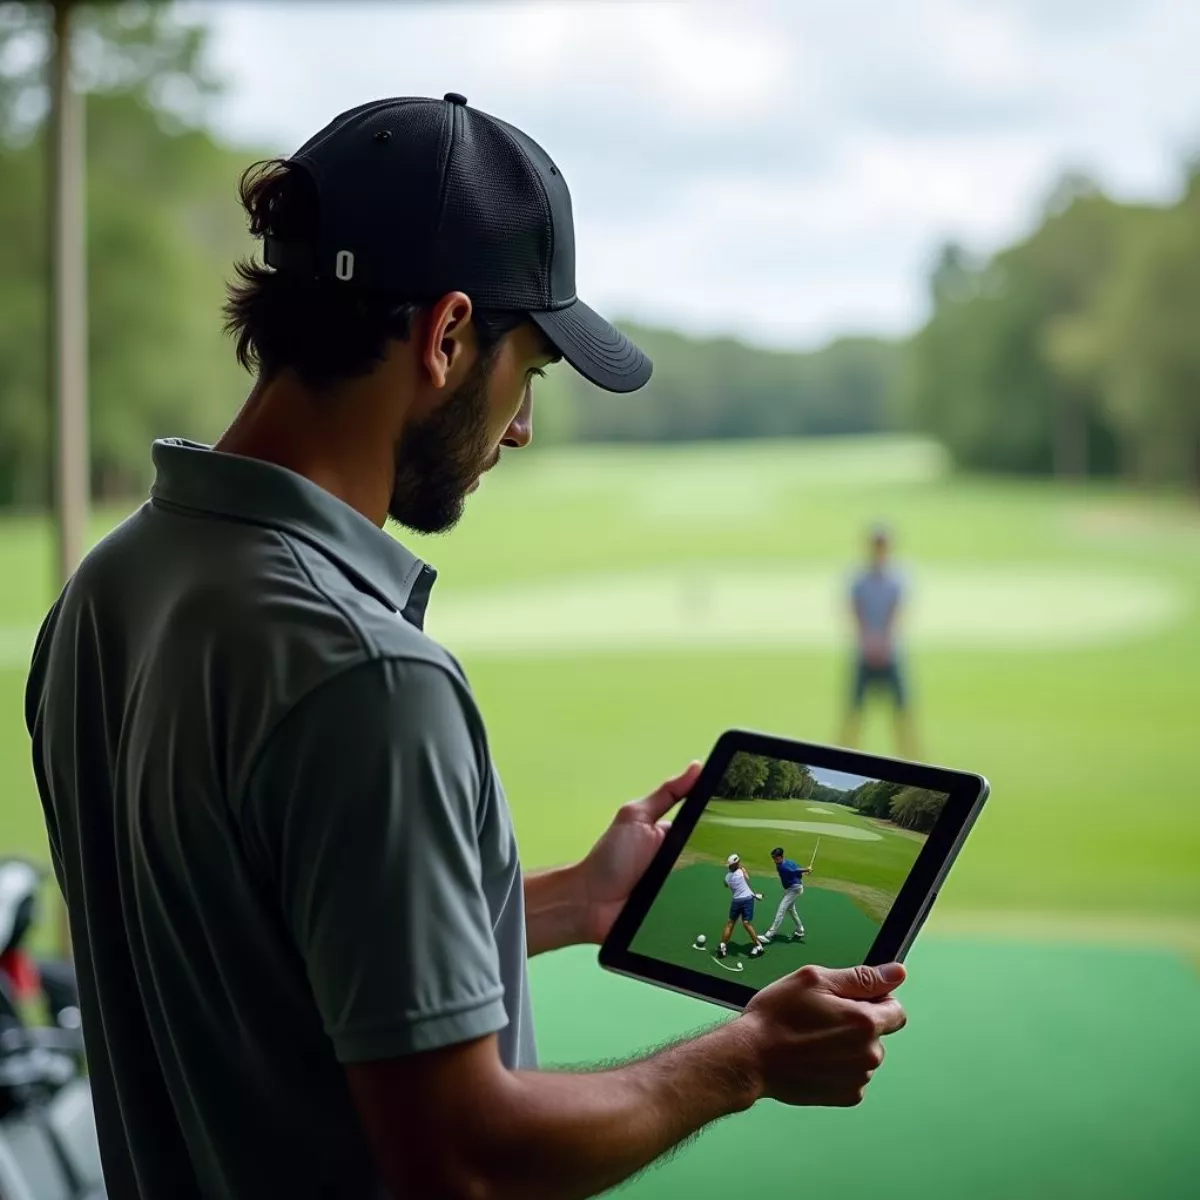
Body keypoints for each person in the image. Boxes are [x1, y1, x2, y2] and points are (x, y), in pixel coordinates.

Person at [25, 95, 908, 1200]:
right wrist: (748, 1059)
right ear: (446, 337)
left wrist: (573, 902)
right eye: (529, 371)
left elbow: (253, 951)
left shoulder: (108, 591)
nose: (524, 426)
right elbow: (463, 1157)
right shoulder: (369, 675)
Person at [840, 522, 917, 757]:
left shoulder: (898, 579)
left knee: (903, 711)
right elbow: (855, 611)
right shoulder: (859, 579)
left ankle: (912, 762)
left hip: (891, 652)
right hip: (864, 652)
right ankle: (843, 758)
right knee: (853, 712)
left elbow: (898, 614)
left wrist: (884, 641)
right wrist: (868, 640)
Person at [719, 854, 766, 959]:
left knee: (730, 923)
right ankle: (759, 946)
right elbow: (747, 879)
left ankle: (722, 946)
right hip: (747, 900)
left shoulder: (727, 878)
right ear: (737, 864)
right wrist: (754, 894)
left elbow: (726, 885)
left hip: (736, 901)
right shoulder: (741, 872)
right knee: (746, 923)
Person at [760, 846, 812, 943]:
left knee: (781, 909)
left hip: (794, 889)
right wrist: (806, 870)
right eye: (773, 858)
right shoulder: (786, 864)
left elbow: (794, 871)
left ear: (781, 856)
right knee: (791, 910)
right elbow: (797, 873)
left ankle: (769, 934)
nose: (774, 860)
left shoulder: (783, 866)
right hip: (792, 888)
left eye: (775, 858)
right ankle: (800, 930)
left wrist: (805, 870)